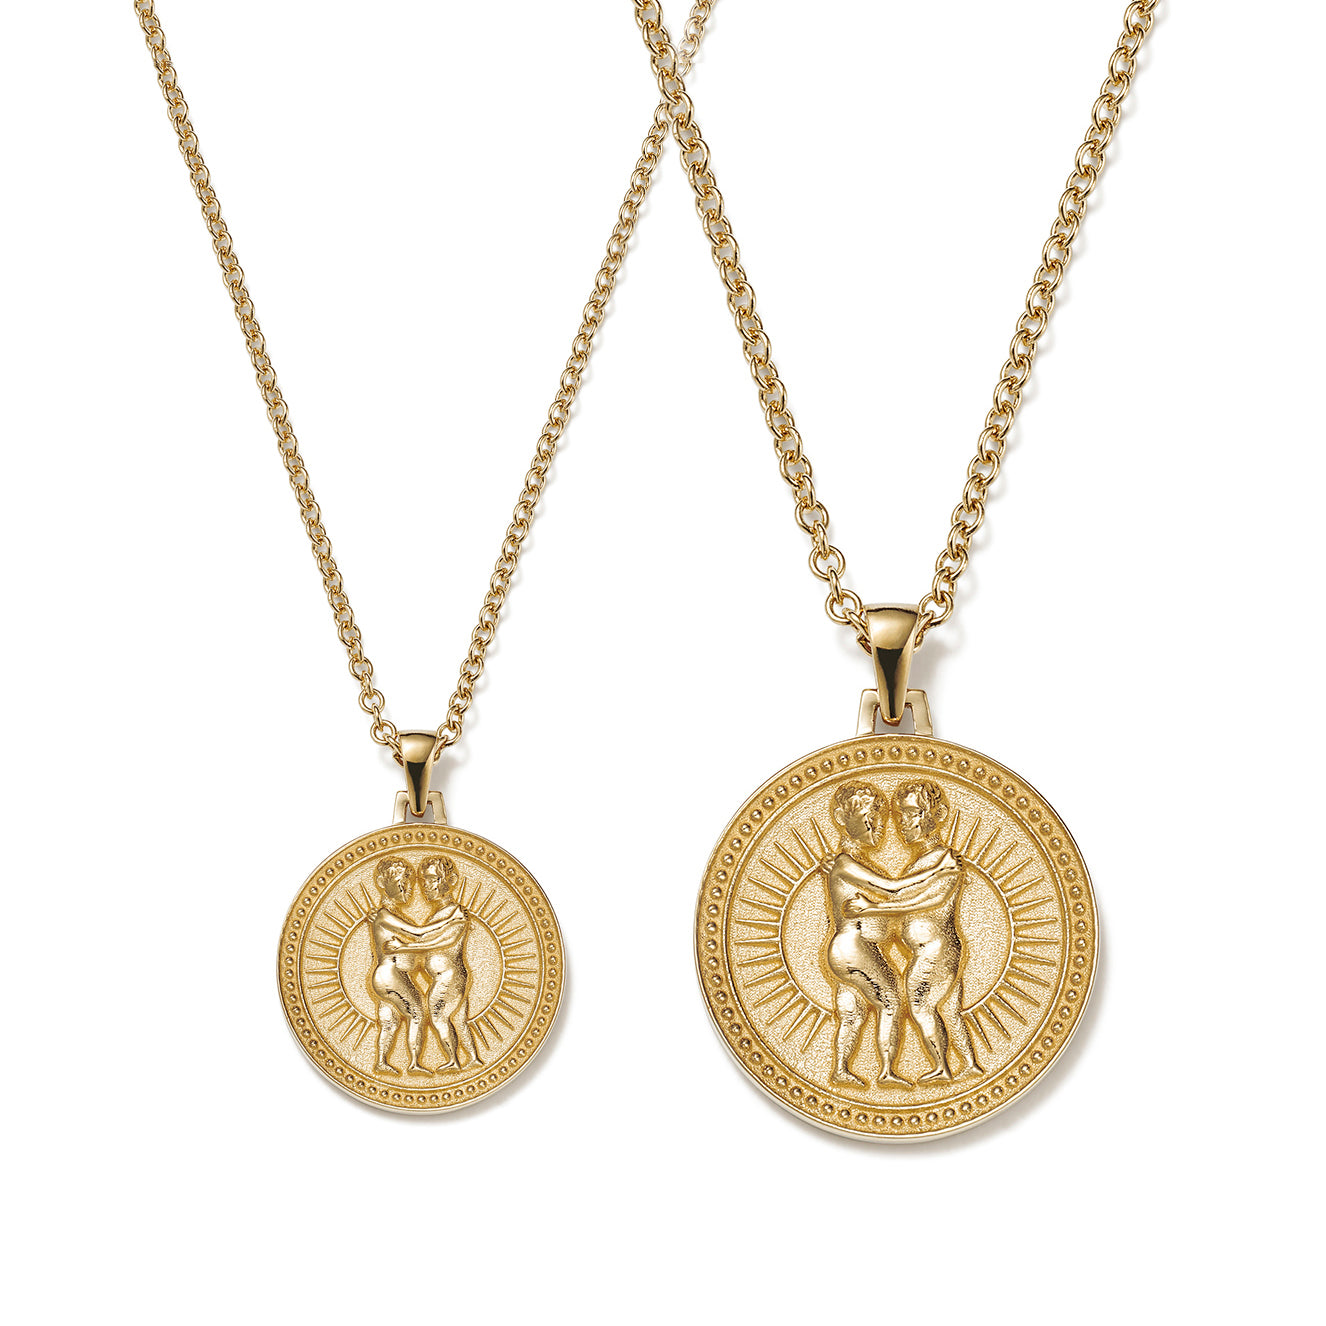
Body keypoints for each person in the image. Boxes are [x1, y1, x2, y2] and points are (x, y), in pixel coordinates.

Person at [417, 856, 481, 1070]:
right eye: (424, 880)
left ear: (450, 881)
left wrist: (402, 946)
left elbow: (441, 941)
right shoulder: (446, 913)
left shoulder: (454, 913)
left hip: (448, 977)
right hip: (452, 976)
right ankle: (473, 1058)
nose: (426, 885)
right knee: (460, 1020)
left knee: (437, 1018)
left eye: (432, 879)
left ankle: (454, 1061)